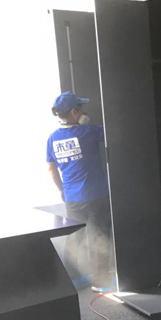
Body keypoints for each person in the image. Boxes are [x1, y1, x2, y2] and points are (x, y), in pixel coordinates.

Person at [47, 92, 113, 292]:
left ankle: (72, 280)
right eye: (81, 109)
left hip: (72, 198)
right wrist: (87, 123)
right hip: (95, 195)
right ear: (74, 112)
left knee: (74, 238)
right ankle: (101, 282)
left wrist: (61, 190)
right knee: (101, 236)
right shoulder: (87, 132)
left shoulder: (52, 138)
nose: (84, 112)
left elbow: (51, 168)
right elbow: (112, 130)